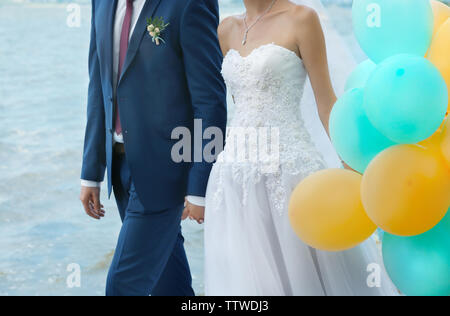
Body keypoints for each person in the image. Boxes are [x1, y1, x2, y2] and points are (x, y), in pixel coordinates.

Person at [200, 0, 399, 296]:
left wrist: (352, 167)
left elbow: (326, 103)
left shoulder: (302, 19)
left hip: (290, 171)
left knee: (307, 274)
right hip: (234, 175)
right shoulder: (226, 29)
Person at [79, 0, 227, 296]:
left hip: (166, 170)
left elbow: (209, 99)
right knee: (168, 285)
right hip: (119, 165)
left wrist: (200, 185)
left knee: (122, 286)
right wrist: (91, 173)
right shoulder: (102, 3)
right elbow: (99, 86)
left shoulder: (189, 4)